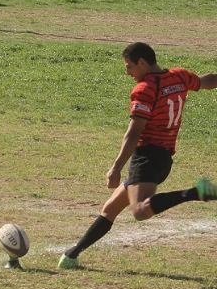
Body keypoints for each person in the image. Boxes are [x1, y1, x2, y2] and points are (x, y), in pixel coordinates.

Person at [58, 42, 217, 269]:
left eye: (129, 66)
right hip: (162, 157)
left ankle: (195, 192)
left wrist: (115, 167)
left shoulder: (144, 89)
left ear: (142, 63)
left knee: (140, 211)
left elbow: (134, 133)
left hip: (147, 157)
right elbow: (207, 81)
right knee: (110, 209)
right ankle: (72, 255)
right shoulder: (179, 76)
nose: (127, 72)